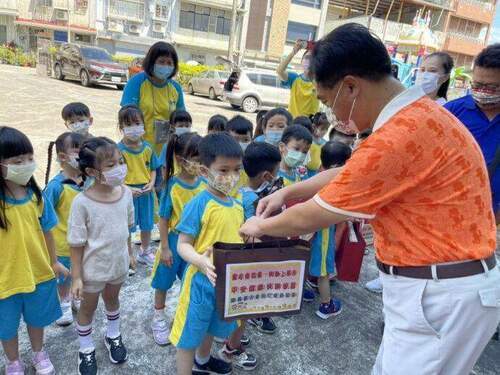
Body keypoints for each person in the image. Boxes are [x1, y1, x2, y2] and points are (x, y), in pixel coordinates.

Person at [240, 23, 500, 375]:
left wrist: (260, 224)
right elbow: (355, 172)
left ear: (351, 87)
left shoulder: (400, 134)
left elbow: (313, 216)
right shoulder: (414, 117)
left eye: (326, 100)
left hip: (441, 295)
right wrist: (288, 191)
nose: (330, 113)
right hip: (434, 287)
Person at [169, 133, 243, 375]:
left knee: (213, 326)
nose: (231, 177)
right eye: (223, 170)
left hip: (226, 283)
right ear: (204, 171)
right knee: (189, 334)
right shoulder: (199, 204)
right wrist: (200, 260)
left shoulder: (237, 203)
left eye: (236, 169)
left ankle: (202, 361)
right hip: (200, 282)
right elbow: (183, 244)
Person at [0, 126, 68, 375]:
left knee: (36, 319)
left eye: (29, 159)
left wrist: (54, 262)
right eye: (18, 161)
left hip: (38, 272)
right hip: (5, 279)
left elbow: (48, 232)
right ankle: (13, 361)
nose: (27, 165)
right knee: (6, 326)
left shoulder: (36, 196)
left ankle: (39, 352)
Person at [69, 137, 134, 375]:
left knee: (113, 300)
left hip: (118, 264)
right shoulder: (82, 203)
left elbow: (127, 227)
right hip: (92, 270)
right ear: (91, 171)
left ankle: (113, 336)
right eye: (110, 165)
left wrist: (130, 252)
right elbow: (76, 244)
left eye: (120, 161)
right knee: (88, 307)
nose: (119, 168)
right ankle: (85, 349)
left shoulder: (125, 193)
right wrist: (76, 277)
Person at [150, 132, 205, 346]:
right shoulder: (172, 185)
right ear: (182, 160)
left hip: (195, 243)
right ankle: (158, 318)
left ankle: (182, 316)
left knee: (190, 281)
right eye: (197, 159)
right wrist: (164, 247)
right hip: (173, 241)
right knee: (163, 281)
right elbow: (163, 219)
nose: (201, 164)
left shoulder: (203, 182)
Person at [445, 44, 500, 223]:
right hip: (448, 210)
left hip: (492, 219)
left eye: (491, 88)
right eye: (477, 85)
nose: (482, 92)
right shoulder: (452, 112)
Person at [239, 142, 281, 335]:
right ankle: (254, 315)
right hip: (256, 252)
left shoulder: (262, 191)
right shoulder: (248, 200)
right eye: (277, 171)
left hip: (266, 246)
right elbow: (247, 231)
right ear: (266, 176)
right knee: (252, 287)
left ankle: (259, 311)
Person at [44, 132, 85, 326]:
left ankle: (76, 297)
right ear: (62, 156)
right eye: (78, 150)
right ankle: (65, 302)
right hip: (62, 244)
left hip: (83, 241)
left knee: (80, 271)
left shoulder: (88, 181)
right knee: (63, 277)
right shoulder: (56, 187)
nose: (83, 154)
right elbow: (43, 217)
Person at [121, 41, 185, 155]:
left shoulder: (176, 88)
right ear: (151, 62)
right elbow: (126, 115)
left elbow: (182, 118)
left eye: (170, 63)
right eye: (161, 62)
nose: (165, 66)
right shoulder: (136, 82)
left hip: (166, 150)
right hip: (138, 148)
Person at [311, 141, 352, 319]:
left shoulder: (315, 176)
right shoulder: (332, 186)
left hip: (311, 232)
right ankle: (326, 305)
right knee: (324, 272)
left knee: (312, 263)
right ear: (337, 166)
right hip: (324, 234)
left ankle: (310, 286)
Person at [117, 105, 159, 268]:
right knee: (127, 226)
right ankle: (128, 254)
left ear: (143, 124)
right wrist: (126, 188)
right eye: (128, 125)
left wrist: (152, 183)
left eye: (136, 123)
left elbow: (153, 168)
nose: (133, 128)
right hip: (127, 193)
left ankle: (145, 251)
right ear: (121, 127)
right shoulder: (118, 150)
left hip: (146, 192)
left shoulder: (148, 148)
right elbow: (115, 172)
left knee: (147, 224)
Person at [277, 39, 320, 118]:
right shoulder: (294, 79)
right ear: (301, 61)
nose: (309, 61)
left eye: (312, 59)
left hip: (310, 125)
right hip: (293, 122)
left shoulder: (319, 81)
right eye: (307, 58)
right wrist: (294, 52)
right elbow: (279, 71)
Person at [307, 112, 330, 177]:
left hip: (315, 172)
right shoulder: (308, 140)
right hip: (304, 170)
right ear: (314, 126)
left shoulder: (324, 142)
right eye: (322, 129)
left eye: (326, 129)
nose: (325, 132)